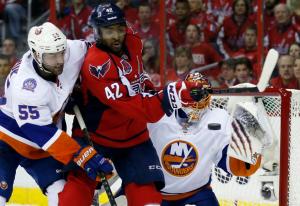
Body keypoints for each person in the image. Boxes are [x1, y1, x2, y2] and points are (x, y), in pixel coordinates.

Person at [74, 3, 204, 206]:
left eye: (119, 28)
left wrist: (151, 88)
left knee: (149, 202)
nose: (116, 35)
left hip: (134, 138)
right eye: (109, 31)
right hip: (96, 137)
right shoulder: (96, 65)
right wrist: (177, 92)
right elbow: (142, 110)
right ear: (97, 32)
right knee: (73, 199)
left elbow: (136, 73)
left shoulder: (132, 41)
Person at [0, 22, 113, 206]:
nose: (60, 60)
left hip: (41, 150)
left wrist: (84, 87)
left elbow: (99, 54)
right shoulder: (27, 87)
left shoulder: (72, 51)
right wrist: (82, 154)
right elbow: (44, 134)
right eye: (52, 56)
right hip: (7, 141)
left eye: (61, 52)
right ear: (37, 54)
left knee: (61, 193)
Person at [148, 72, 271, 206]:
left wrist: (248, 124)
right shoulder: (157, 114)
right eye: (193, 92)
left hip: (197, 194)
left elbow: (238, 168)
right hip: (154, 194)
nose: (198, 99)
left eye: (202, 94)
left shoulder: (219, 118)